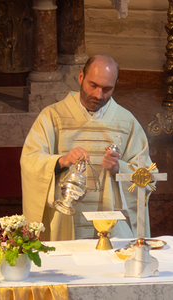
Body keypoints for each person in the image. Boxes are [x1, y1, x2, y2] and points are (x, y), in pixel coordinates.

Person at [20, 55, 155, 241]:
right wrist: (61, 161)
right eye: (93, 85)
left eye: (107, 89)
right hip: (66, 224)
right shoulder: (52, 117)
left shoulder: (127, 122)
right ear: (81, 77)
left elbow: (148, 178)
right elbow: (29, 161)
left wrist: (119, 169)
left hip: (112, 225)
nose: (99, 95)